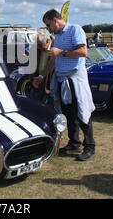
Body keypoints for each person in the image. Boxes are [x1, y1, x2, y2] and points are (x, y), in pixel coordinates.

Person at [34, 9, 96, 161]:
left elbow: (83, 52)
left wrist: (60, 52)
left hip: (75, 79)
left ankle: (90, 146)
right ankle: (74, 143)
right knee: (68, 113)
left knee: (82, 110)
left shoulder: (75, 29)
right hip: (62, 79)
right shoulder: (58, 36)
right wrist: (42, 76)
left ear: (55, 20)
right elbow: (53, 60)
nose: (49, 28)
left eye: (49, 25)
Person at [29, 28, 54, 104]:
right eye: (36, 44)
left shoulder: (56, 48)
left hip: (51, 87)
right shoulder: (35, 48)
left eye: (39, 45)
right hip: (36, 86)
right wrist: (32, 79)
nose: (37, 47)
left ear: (47, 41)